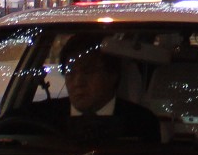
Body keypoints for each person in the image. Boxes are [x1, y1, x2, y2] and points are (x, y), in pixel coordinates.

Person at [34, 36, 162, 140]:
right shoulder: (40, 119)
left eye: (88, 72)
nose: (78, 82)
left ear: (112, 75)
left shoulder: (141, 123)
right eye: (70, 72)